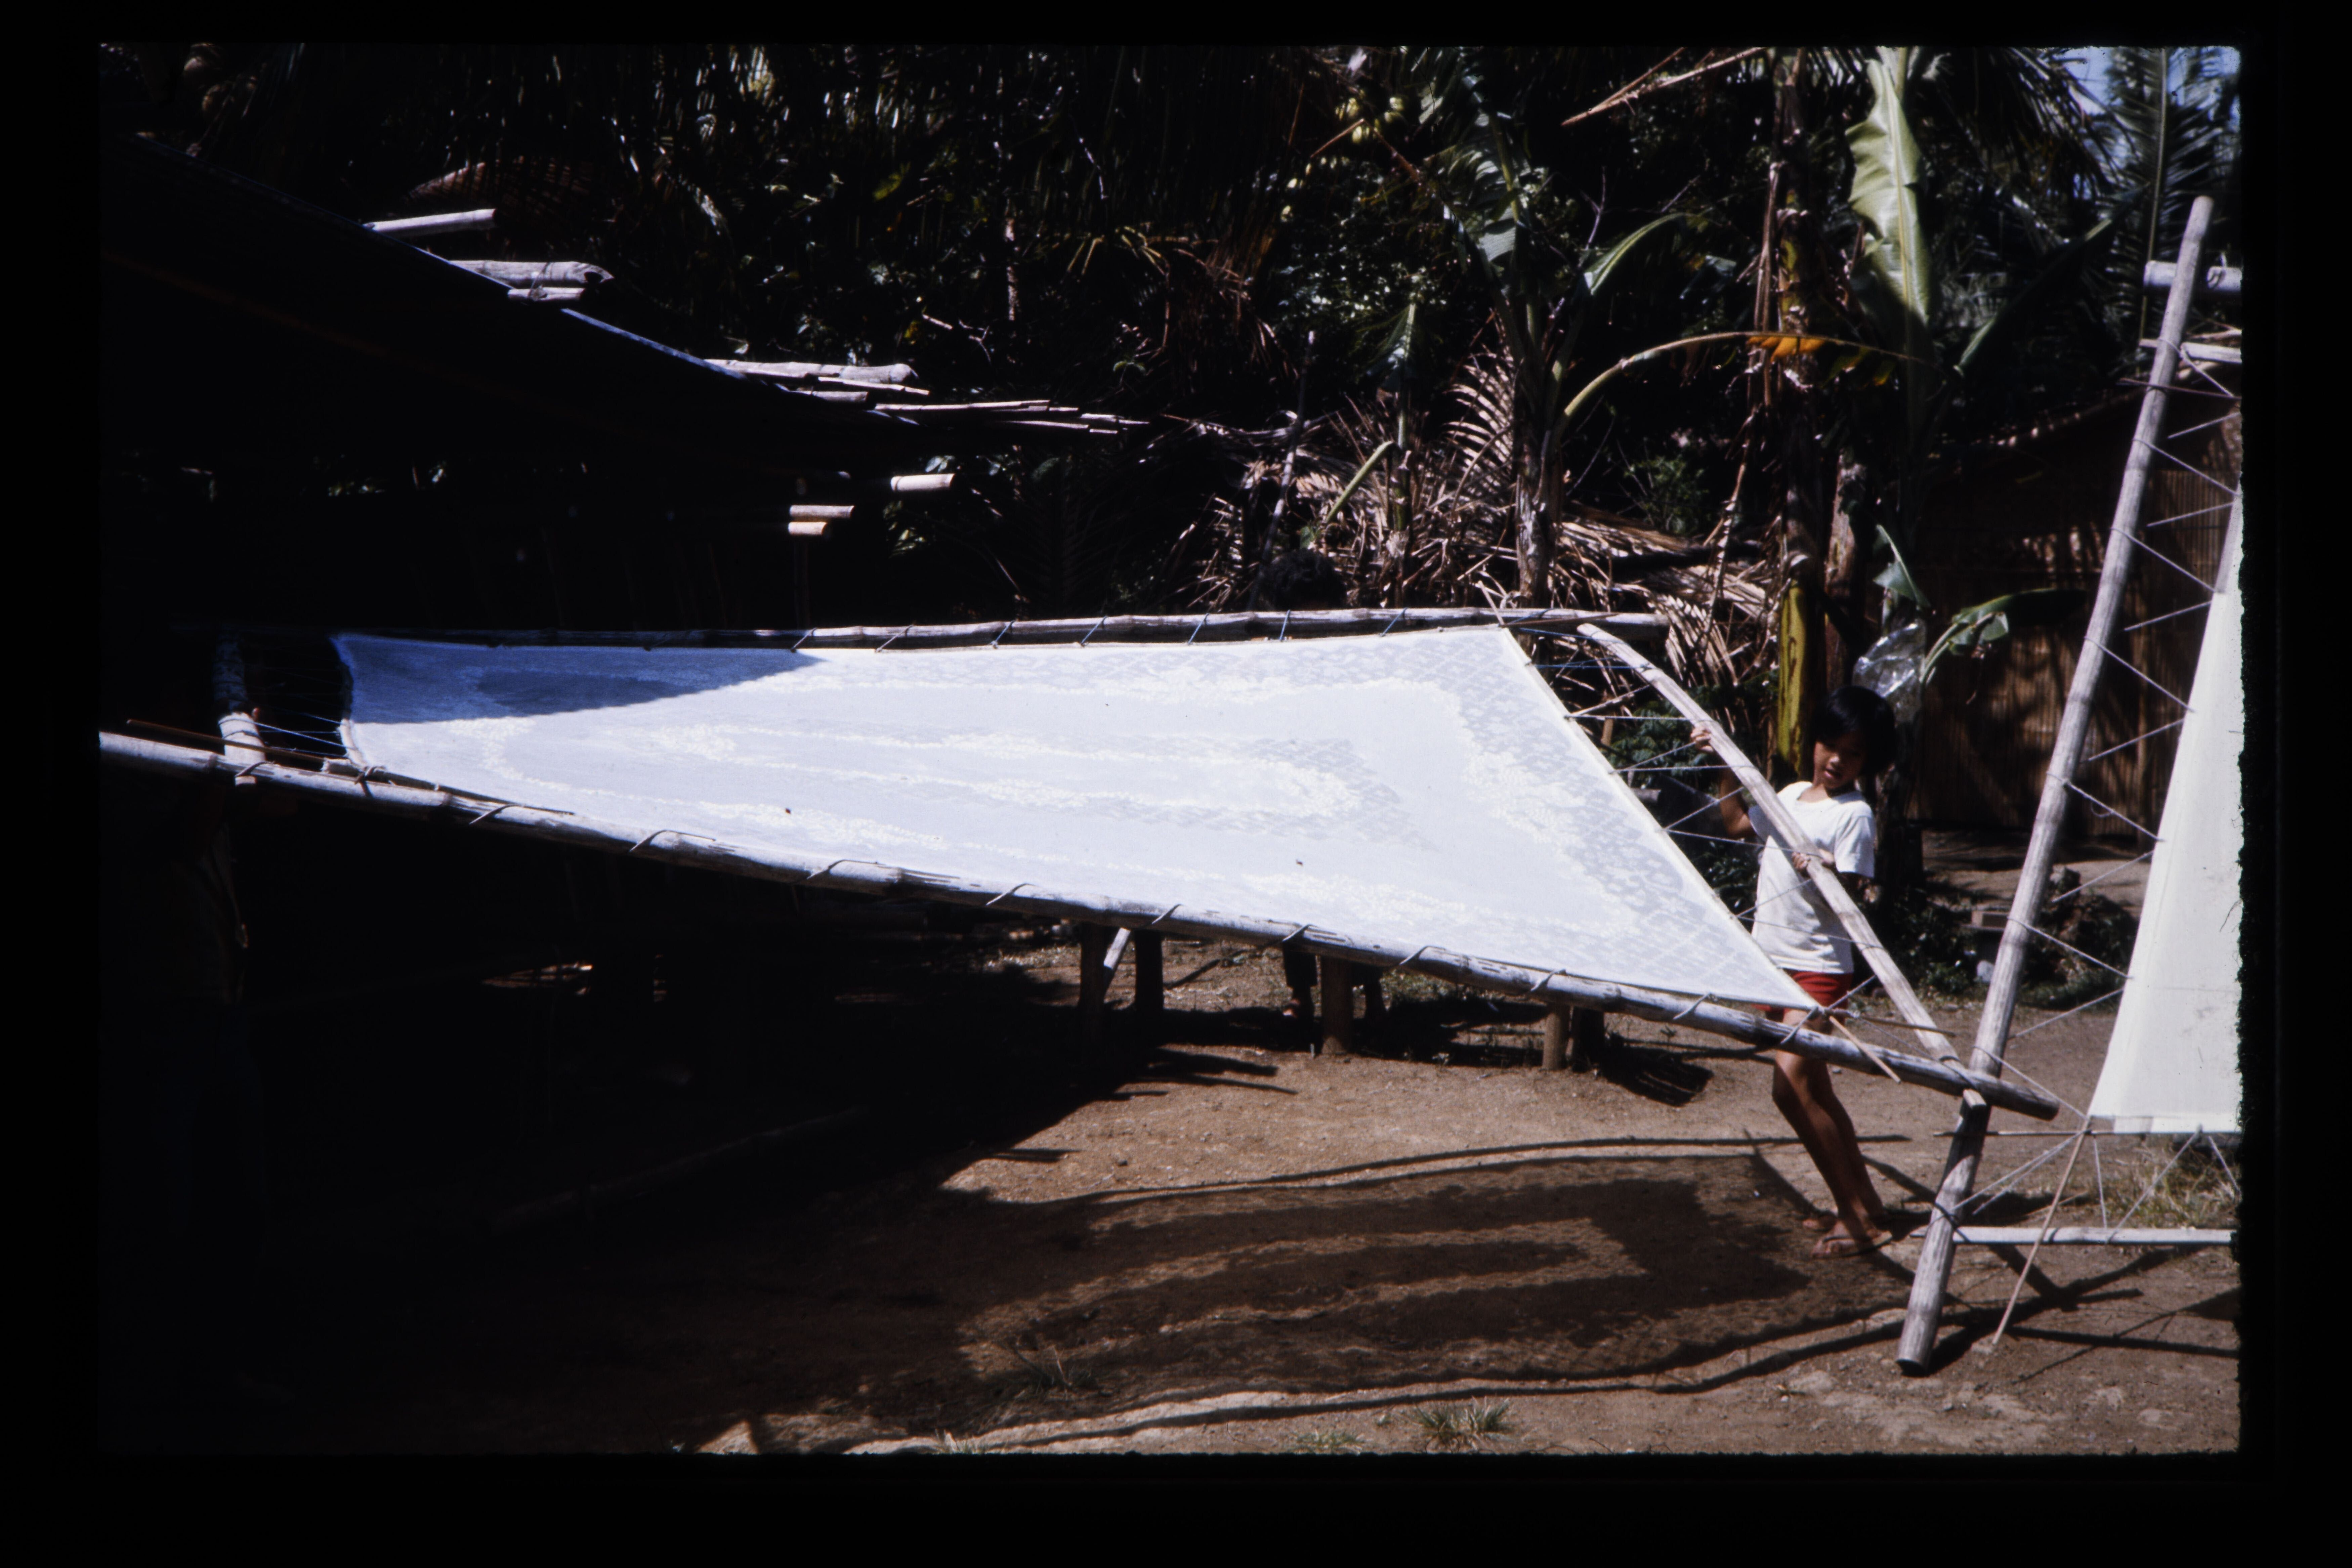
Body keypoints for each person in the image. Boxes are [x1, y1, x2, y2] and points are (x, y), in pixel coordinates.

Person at [1694, 686, 1899, 1258]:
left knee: (1790, 1086)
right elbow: (1737, 822)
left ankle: (1860, 1222)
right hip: (1775, 963)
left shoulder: (1854, 814)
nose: (1836, 760)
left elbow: (1854, 896)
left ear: (1868, 762)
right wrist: (1726, 766)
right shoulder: (1786, 796)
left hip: (1819, 968)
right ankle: (1865, 1202)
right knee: (1814, 1091)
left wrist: (1826, 868)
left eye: (1853, 754)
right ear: (1815, 741)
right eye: (1831, 745)